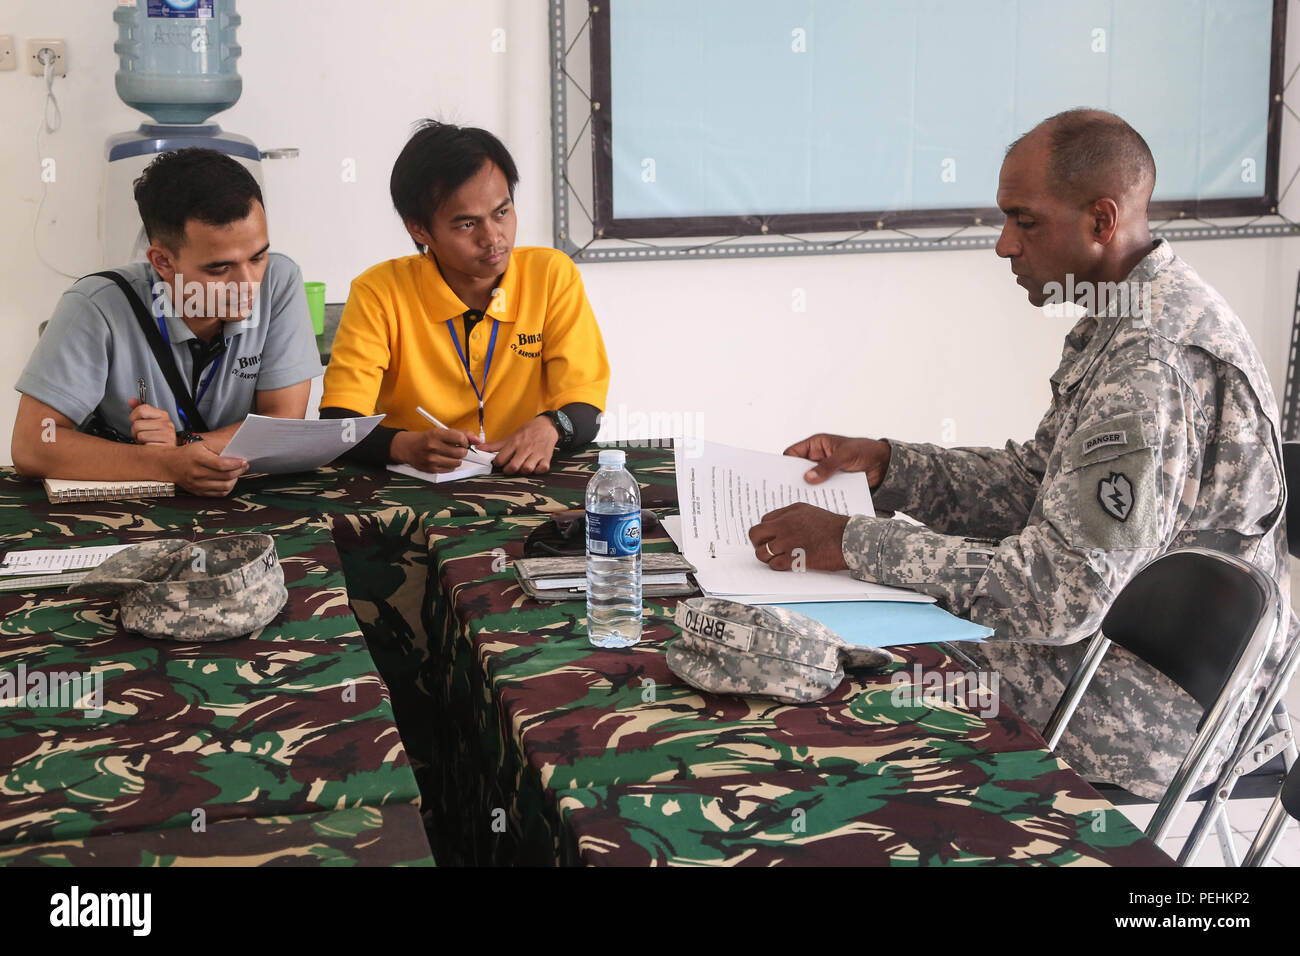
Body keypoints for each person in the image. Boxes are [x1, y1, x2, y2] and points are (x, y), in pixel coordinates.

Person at [747, 109, 1291, 800]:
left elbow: (1060, 591)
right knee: (848, 632)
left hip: (1155, 708)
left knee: (857, 674)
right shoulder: (1122, 311)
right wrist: (891, 465)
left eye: (1024, 221)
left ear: (1101, 220)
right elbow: (1035, 484)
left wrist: (855, 543)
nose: (1004, 245)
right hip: (1109, 653)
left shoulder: (1153, 359)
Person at [12, 148, 323, 496]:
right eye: (219, 268)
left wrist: (180, 443)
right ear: (162, 261)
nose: (248, 283)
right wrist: (164, 464)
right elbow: (34, 441)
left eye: (258, 256)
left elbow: (281, 422)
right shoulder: (95, 305)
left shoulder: (279, 280)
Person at [319, 121, 610, 475]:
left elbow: (586, 404)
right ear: (419, 228)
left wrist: (551, 427)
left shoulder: (551, 275)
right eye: (467, 225)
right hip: (412, 485)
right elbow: (338, 422)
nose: (493, 238)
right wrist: (403, 445)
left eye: (502, 213)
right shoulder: (379, 291)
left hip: (524, 475)